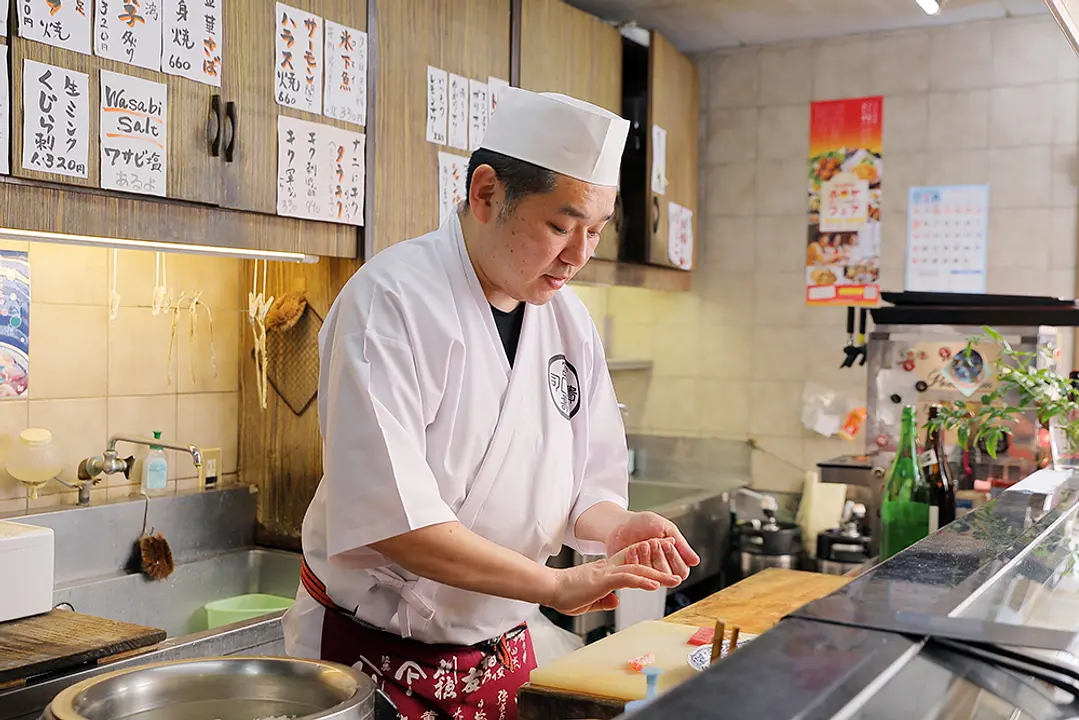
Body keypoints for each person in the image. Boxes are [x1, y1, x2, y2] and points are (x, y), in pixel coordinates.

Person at [282, 86, 700, 720]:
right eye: (561, 226)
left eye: (595, 231)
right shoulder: (390, 301)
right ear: (485, 194)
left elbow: (585, 482)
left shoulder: (569, 322)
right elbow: (397, 522)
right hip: (371, 657)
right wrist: (557, 585)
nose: (579, 256)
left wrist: (615, 527)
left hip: (499, 656)